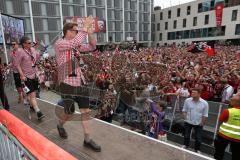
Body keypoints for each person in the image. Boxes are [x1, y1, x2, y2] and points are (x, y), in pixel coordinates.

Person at [54, 20, 101, 152]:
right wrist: (84, 29)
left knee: (85, 111)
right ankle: (60, 125)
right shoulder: (60, 43)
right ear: (67, 31)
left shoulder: (75, 45)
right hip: (67, 83)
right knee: (69, 112)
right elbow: (74, 42)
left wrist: (90, 33)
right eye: (75, 30)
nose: (76, 33)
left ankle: (87, 139)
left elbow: (92, 46)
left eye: (76, 31)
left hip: (80, 82)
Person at [16, 36, 45, 120]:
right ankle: (38, 112)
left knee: (32, 94)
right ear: (24, 44)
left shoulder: (32, 50)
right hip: (26, 77)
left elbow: (37, 57)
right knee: (32, 95)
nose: (31, 44)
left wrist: (42, 51)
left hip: (34, 75)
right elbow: (17, 65)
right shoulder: (20, 52)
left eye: (31, 42)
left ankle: (31, 104)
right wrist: (22, 75)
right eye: (29, 43)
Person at [214, 92, 240, 160]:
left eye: (232, 100)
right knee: (236, 156)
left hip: (223, 136)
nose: (230, 100)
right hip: (238, 139)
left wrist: (217, 132)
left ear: (237, 102)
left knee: (219, 153)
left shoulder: (228, 111)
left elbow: (220, 121)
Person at [182, 87, 209, 153]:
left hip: (198, 123)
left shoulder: (205, 103)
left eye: (194, 93)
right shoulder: (187, 100)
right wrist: (185, 118)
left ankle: (197, 149)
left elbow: (205, 114)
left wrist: (202, 123)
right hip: (188, 121)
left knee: (198, 137)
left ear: (199, 94)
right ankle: (185, 145)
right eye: (192, 92)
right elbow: (184, 110)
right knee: (186, 135)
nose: (192, 94)